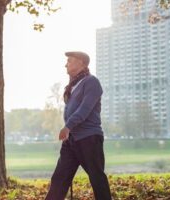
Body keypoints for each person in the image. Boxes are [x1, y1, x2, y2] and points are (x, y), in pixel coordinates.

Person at [45, 51, 112, 200]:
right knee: (59, 178)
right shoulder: (73, 85)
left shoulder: (91, 82)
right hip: (72, 140)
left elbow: (85, 109)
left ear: (81, 62)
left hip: (89, 138)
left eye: (69, 61)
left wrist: (67, 126)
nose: (65, 64)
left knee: (97, 178)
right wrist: (69, 130)